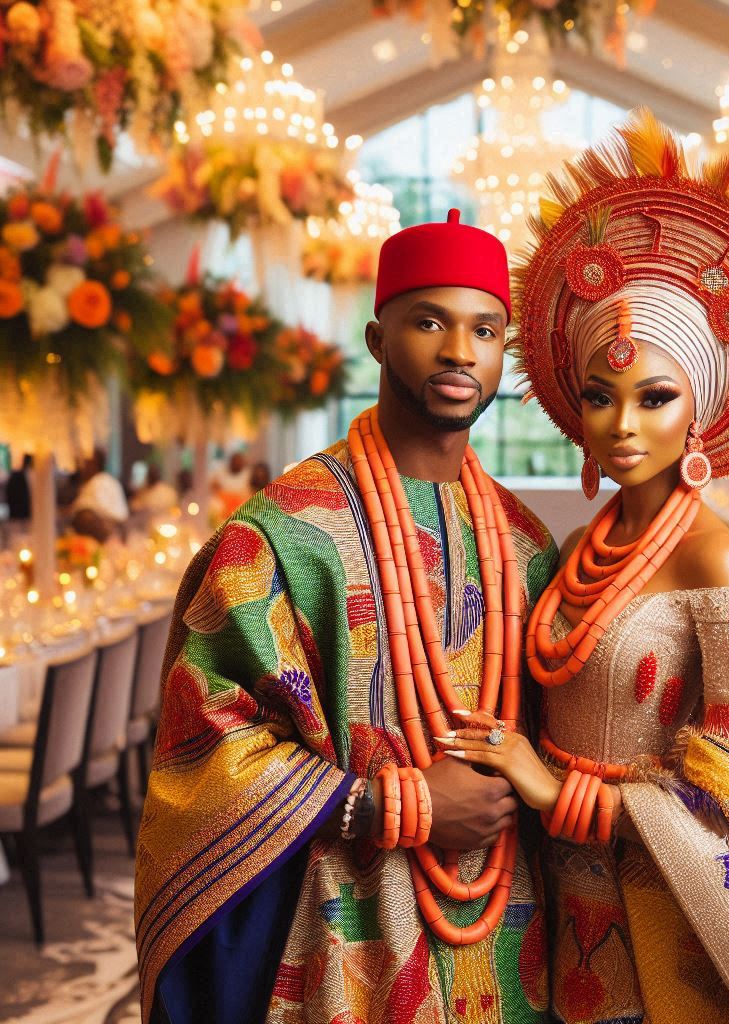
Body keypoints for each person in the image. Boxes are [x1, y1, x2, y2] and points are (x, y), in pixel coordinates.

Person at [439, 111, 729, 1023]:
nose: (623, 424)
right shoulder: (575, 550)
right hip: (559, 893)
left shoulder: (716, 557)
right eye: (600, 397)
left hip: (668, 912)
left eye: (655, 396)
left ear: (702, 410)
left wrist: (553, 788)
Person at [135, 210, 558, 1023]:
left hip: (516, 932)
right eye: (428, 321)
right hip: (345, 930)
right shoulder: (280, 536)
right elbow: (207, 744)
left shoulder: (525, 542)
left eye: (486, 330)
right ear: (376, 338)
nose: (459, 352)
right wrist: (386, 805)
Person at [70, 448, 129, 531]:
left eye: (86, 463)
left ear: (95, 464)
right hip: (115, 528)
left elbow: (92, 508)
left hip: (112, 529)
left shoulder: (99, 481)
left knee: (85, 516)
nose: (82, 466)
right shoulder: (102, 479)